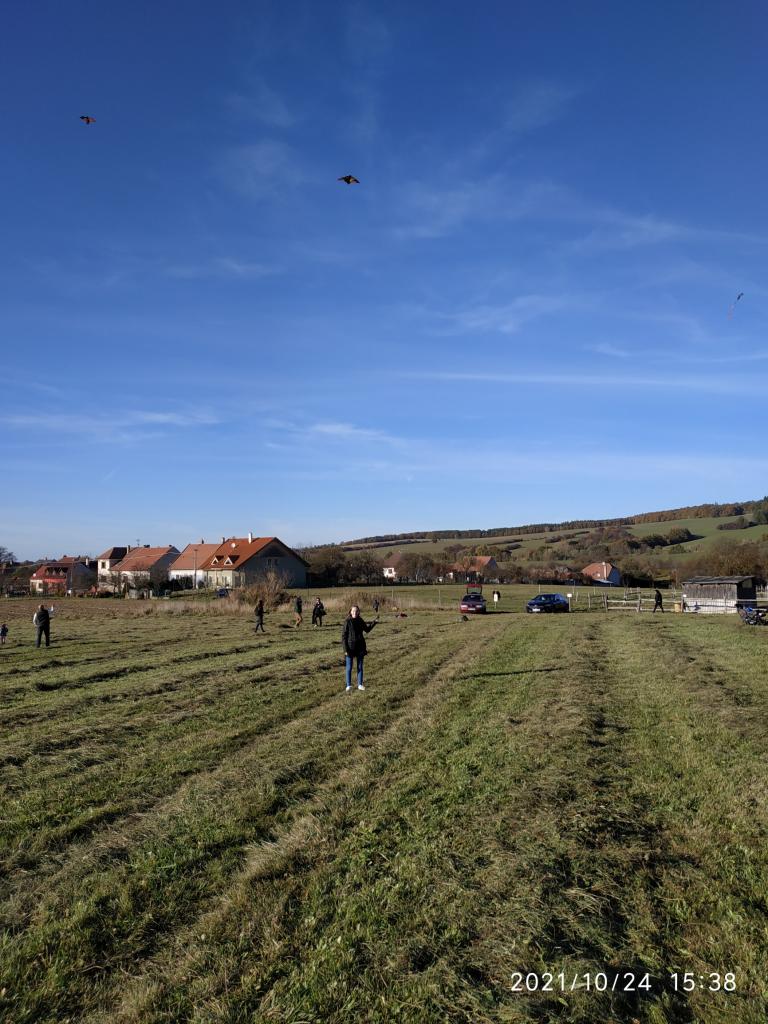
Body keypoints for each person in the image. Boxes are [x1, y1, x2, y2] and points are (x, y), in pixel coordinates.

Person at [342, 605, 377, 692]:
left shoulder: (360, 620)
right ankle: (348, 685)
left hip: (360, 646)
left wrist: (374, 622)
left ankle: (360, 684)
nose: (355, 612)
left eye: (356, 611)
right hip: (350, 647)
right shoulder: (347, 621)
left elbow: (367, 630)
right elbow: (344, 637)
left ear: (358, 612)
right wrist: (345, 650)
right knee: (349, 667)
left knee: (360, 666)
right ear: (350, 612)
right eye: (353, 611)